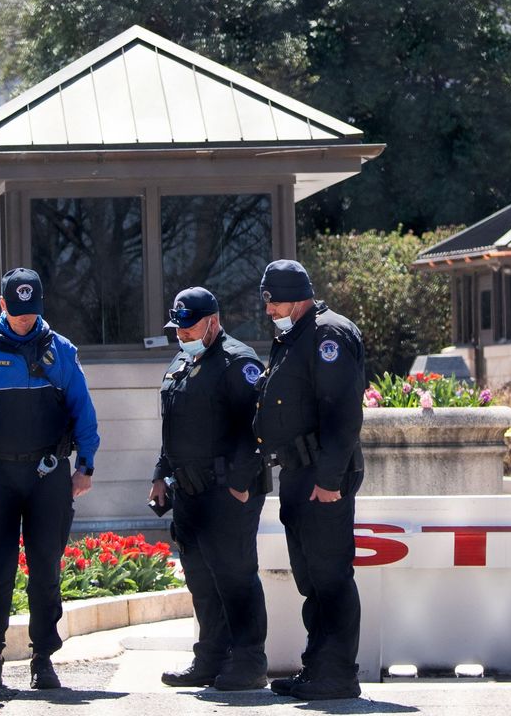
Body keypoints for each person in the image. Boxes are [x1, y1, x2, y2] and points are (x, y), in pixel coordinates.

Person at [0, 267, 99, 692]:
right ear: (2, 306)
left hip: (47, 474)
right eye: (17, 312)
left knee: (46, 568)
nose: (25, 320)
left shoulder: (60, 351)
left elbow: (83, 411)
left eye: (31, 312)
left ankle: (43, 657)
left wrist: (85, 464)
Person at [251, 259, 366, 701]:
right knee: (310, 577)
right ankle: (317, 667)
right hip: (300, 472)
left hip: (323, 476)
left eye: (273, 301)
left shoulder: (327, 334)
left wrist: (330, 478)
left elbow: (342, 412)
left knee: (330, 575)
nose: (269, 310)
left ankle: (338, 673)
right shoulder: (296, 335)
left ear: (295, 296)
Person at [149, 287, 270, 691]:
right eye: (177, 330)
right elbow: (173, 427)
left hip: (226, 491)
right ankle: (211, 658)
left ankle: (249, 661)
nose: (180, 336)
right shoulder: (183, 364)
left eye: (187, 329)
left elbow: (257, 429)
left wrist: (240, 483)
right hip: (189, 493)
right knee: (201, 579)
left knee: (235, 577)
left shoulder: (238, 363)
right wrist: (160, 475)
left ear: (213, 322)